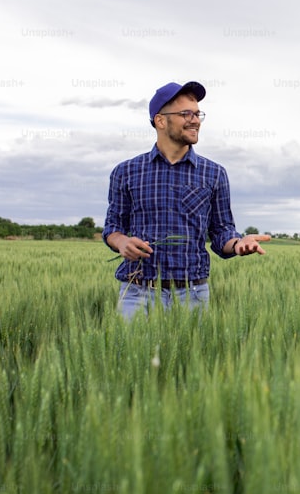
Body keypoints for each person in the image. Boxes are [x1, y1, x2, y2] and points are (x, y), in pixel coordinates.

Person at [103, 81, 269, 320]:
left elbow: (222, 231)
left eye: (197, 113)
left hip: (193, 295)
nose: (195, 120)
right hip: (138, 292)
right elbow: (113, 227)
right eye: (185, 114)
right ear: (160, 121)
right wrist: (121, 243)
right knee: (129, 357)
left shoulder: (214, 173)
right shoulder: (126, 172)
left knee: (191, 357)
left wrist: (238, 244)